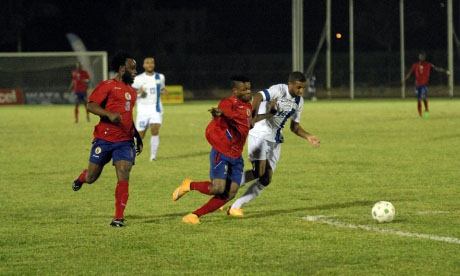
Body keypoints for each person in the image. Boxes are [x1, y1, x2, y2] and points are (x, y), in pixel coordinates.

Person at [227, 71, 320, 216]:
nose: (301, 91)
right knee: (259, 171)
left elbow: (294, 127)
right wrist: (251, 116)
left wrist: (308, 137)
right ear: (290, 85)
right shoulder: (279, 90)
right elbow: (258, 96)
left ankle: (234, 204)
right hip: (259, 133)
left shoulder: (299, 102)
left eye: (303, 88)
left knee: (266, 178)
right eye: (298, 88)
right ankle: (228, 195)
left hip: (275, 140)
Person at [71, 51, 143, 227]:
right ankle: (81, 178)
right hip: (104, 139)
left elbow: (127, 116)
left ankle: (118, 217)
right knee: (91, 176)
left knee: (124, 171)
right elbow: (91, 105)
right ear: (121, 69)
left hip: (124, 141)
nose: (135, 71)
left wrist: (136, 135)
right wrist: (109, 114)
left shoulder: (132, 92)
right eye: (132, 68)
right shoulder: (107, 85)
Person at [171, 76, 253, 224]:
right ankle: (189, 185)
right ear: (235, 91)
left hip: (237, 155)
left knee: (230, 193)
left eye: (249, 88)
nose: (248, 91)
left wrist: (270, 114)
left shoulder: (248, 106)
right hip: (222, 152)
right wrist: (218, 113)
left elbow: (247, 124)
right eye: (244, 89)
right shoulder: (228, 102)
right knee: (217, 189)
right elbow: (222, 111)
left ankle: (194, 215)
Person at [132, 57, 167, 161]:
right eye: (147, 63)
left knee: (155, 129)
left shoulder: (160, 77)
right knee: (140, 135)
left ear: (154, 65)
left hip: (156, 109)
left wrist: (163, 91)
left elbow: (162, 88)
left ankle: (153, 156)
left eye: (152, 63)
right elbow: (132, 93)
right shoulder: (138, 79)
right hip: (142, 110)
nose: (150, 65)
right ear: (143, 66)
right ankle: (129, 152)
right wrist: (139, 92)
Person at [404, 51, 450, 118]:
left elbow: (436, 68)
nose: (421, 57)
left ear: (424, 57)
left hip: (424, 85)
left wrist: (445, 71)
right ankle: (420, 115)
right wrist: (405, 79)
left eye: (422, 56)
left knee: (424, 98)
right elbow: (410, 73)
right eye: (420, 56)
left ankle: (426, 110)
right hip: (417, 85)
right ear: (419, 57)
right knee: (418, 99)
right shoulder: (415, 65)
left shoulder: (428, 64)